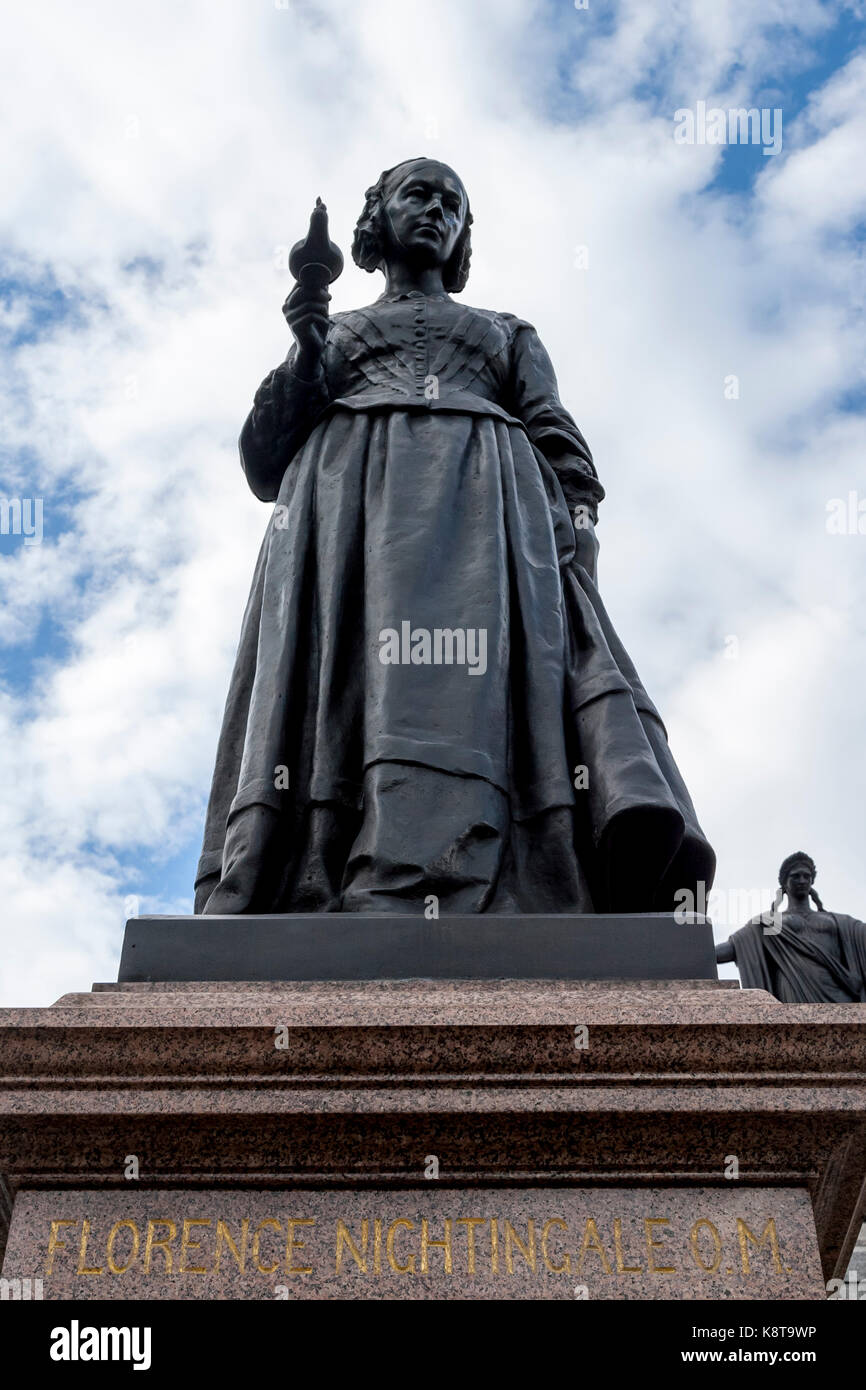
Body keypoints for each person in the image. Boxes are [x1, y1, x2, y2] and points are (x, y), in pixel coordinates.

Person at [195, 157, 714, 916]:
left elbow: (557, 438)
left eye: (453, 204)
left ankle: (493, 864)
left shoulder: (505, 333)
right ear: (380, 215)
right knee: (354, 684)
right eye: (419, 194)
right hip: (345, 519)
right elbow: (263, 460)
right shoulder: (335, 330)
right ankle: (330, 863)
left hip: (489, 513)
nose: (436, 211)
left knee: (473, 692)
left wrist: (579, 534)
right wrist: (306, 349)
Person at [716, 852, 866, 1001]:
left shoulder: (839, 921)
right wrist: (700, 954)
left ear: (812, 881)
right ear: (784, 883)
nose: (802, 880)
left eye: (806, 876)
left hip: (835, 988)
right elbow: (736, 946)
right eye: (795, 876)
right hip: (794, 986)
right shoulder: (770, 922)